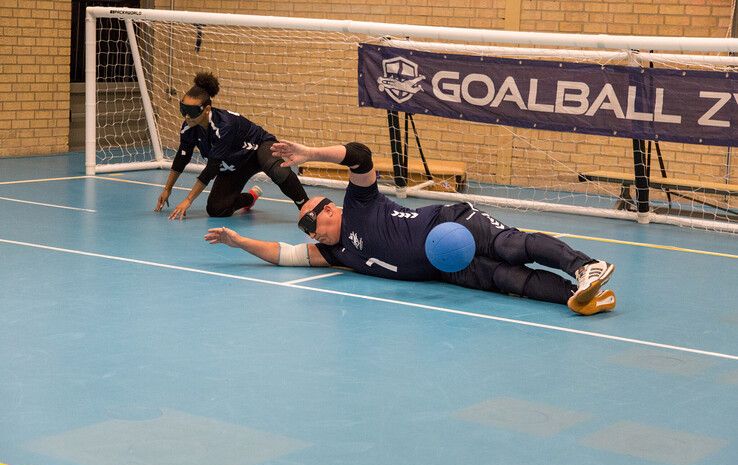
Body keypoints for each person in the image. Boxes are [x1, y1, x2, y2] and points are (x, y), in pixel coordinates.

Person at [204, 140, 616, 315]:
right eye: (305, 230)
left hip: (453, 224)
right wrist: (239, 242)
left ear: (329, 209)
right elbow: (282, 255)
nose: (310, 232)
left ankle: (587, 267)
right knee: (509, 280)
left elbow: (361, 157)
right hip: (448, 268)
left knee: (511, 247)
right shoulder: (336, 253)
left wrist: (311, 152)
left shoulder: (360, 203)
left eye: (310, 220)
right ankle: (578, 296)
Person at [155, 72, 309, 219]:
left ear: (207, 109)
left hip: (258, 149)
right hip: (235, 163)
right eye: (183, 109)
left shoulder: (224, 126)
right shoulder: (189, 127)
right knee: (217, 209)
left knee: (278, 171)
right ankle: (251, 197)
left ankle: (308, 208)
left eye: (192, 111)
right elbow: (183, 157)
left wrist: (188, 200)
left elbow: (211, 169)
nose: (187, 116)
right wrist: (167, 189)